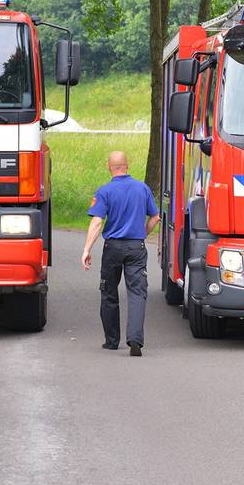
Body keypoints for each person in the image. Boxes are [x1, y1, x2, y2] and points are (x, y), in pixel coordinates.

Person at [81, 151, 159, 357]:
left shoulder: (105, 191)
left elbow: (97, 222)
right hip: (136, 247)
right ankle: (135, 340)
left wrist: (87, 249)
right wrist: (142, 233)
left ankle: (112, 341)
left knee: (108, 292)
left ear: (110, 167)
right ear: (127, 166)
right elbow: (155, 217)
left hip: (113, 248)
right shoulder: (142, 188)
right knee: (137, 293)